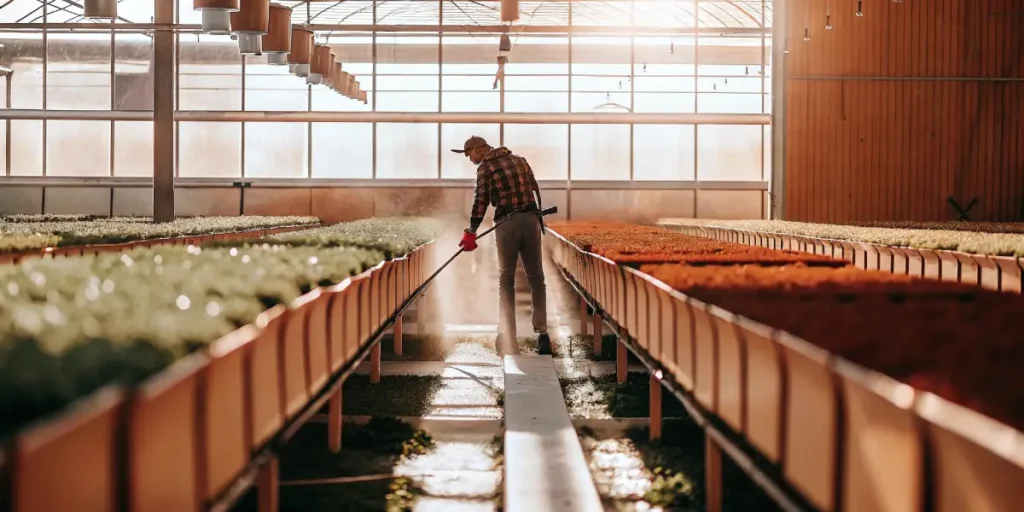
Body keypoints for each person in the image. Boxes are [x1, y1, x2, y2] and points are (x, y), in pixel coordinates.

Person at [451, 136, 551, 356]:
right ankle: (543, 335)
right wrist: (535, 217)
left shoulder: (485, 169)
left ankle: (507, 336)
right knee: (536, 277)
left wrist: (471, 231)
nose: (470, 160)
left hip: (507, 223)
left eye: (469, 155)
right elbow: (535, 191)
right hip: (531, 220)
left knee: (506, 280)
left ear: (478, 149)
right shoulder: (520, 160)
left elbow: (480, 203)